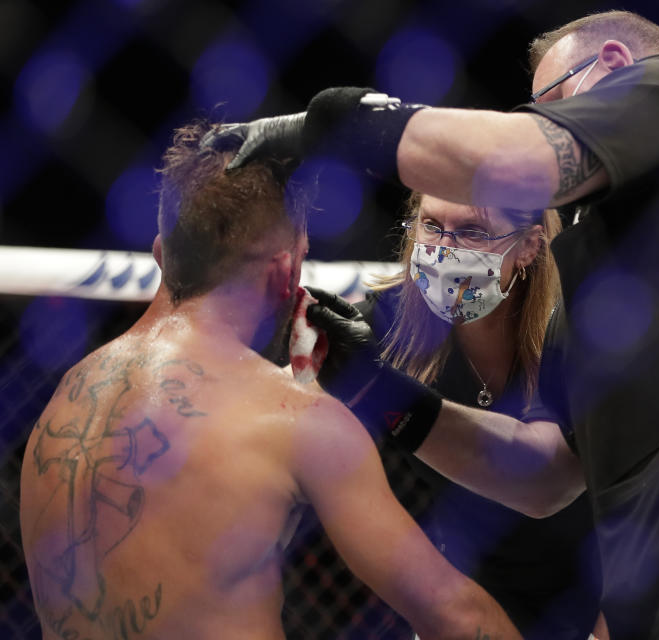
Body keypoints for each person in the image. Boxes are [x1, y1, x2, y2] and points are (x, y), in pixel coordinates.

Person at [207, 9, 659, 639]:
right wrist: (387, 395)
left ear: (612, 63)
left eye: (556, 106)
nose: (559, 126)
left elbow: (514, 161)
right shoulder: (605, 268)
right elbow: (546, 475)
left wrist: (328, 125)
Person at [18, 121, 521, 640]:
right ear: (285, 271)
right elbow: (460, 619)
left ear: (161, 253)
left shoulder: (67, 401)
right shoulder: (294, 423)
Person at [319, 192, 601, 638]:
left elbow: (562, 484)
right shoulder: (381, 331)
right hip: (462, 603)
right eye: (431, 225)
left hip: (590, 595)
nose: (445, 250)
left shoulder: (578, 326)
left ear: (529, 245)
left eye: (473, 232)